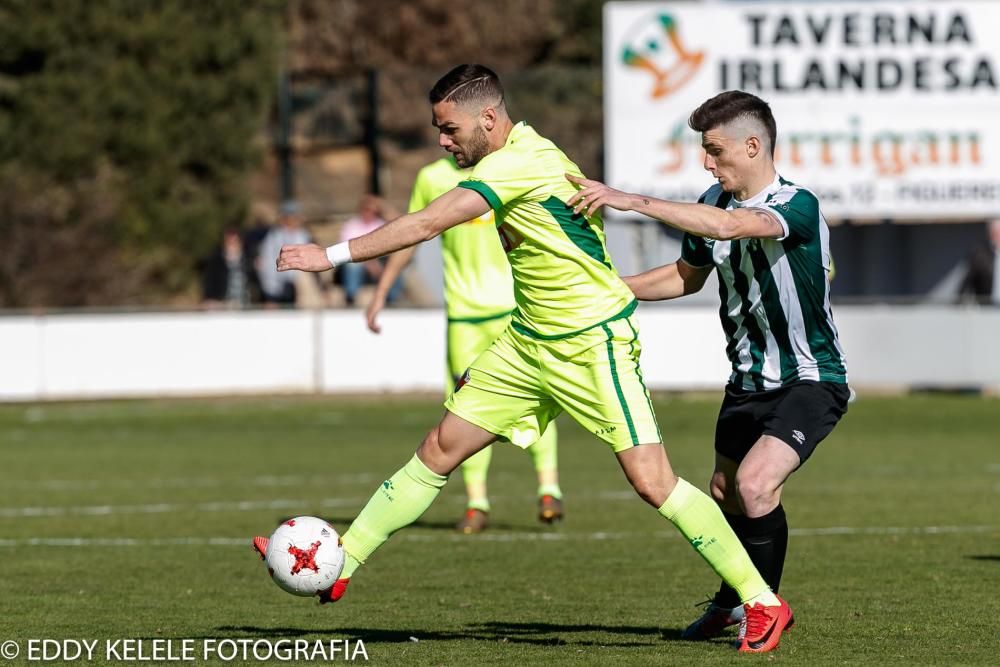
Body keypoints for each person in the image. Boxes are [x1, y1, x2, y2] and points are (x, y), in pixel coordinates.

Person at [255, 66, 793, 653]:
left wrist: (329, 255)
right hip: (527, 342)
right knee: (439, 448)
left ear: (489, 119)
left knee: (653, 482)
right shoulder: (513, 157)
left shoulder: (520, 161)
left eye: (449, 128)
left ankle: (762, 601)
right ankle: (341, 562)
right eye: (438, 130)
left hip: (591, 343)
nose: (443, 140)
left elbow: (432, 221)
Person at [565, 90, 849, 643]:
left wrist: (630, 200)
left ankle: (764, 608)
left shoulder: (797, 204)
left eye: (714, 149)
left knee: (756, 484)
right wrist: (610, 293)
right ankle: (730, 603)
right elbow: (686, 276)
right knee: (722, 491)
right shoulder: (710, 202)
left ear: (752, 145)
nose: (706, 161)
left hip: (811, 378)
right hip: (745, 383)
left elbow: (732, 229)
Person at [366, 155, 563, 533]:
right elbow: (411, 234)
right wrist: (382, 291)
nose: (448, 138)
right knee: (467, 409)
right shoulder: (432, 177)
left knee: (535, 395)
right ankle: (480, 501)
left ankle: (545, 489)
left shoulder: (509, 167)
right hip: (466, 317)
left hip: (515, 309)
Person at [337, 195, 404, 306]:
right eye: (368, 209)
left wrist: (383, 206)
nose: (370, 213)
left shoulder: (380, 224)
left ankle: (391, 301)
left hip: (379, 261)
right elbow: (345, 250)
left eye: (375, 211)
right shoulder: (351, 226)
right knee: (353, 267)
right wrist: (370, 263)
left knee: (394, 266)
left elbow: (401, 226)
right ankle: (351, 299)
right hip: (357, 261)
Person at [255, 200, 313, 307]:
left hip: (297, 289)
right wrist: (270, 293)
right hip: (276, 289)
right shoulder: (274, 237)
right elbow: (268, 265)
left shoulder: (304, 235)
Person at [200, 226, 254, 309]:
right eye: (229, 242)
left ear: (240, 243)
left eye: (235, 242)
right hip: (223, 309)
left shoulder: (249, 262)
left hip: (248, 309)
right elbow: (209, 293)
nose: (232, 245)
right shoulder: (215, 263)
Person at [958, 218, 1000, 305]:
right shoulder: (980, 254)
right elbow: (966, 283)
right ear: (991, 234)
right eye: (996, 233)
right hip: (986, 309)